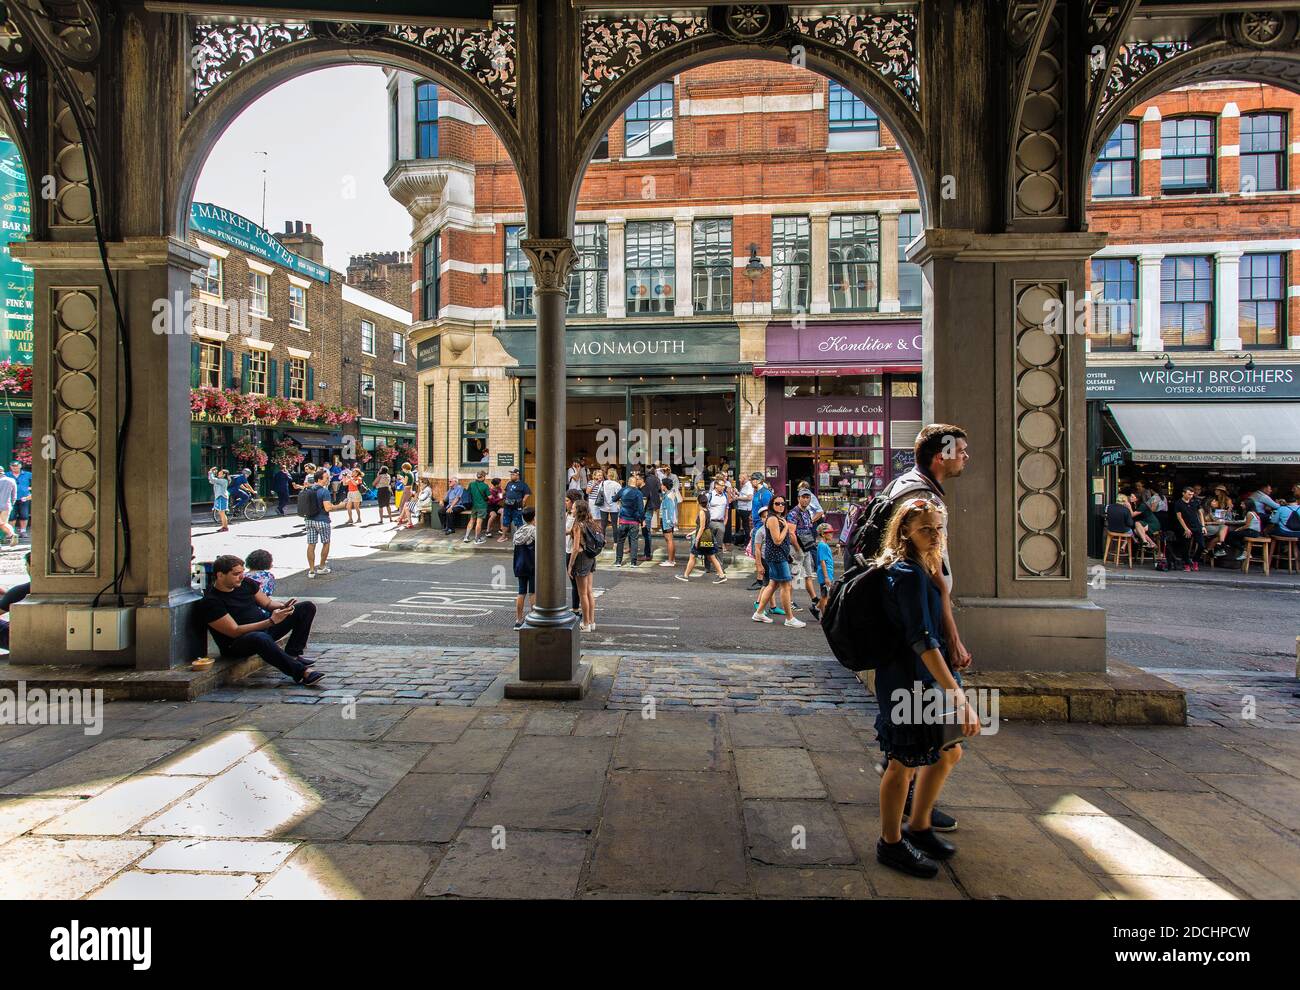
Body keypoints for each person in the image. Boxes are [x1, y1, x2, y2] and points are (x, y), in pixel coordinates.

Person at [871, 499, 978, 879]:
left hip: (925, 675)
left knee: (947, 752)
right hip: (908, 678)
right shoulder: (906, 573)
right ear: (905, 532)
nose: (936, 535)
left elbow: (934, 624)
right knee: (903, 763)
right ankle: (891, 843)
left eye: (939, 528)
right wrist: (959, 698)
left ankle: (918, 826)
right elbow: (922, 640)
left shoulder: (922, 568)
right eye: (926, 529)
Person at [200, 554, 324, 685]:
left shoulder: (245, 583)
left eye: (242, 572)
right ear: (220, 575)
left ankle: (293, 653)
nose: (241, 577)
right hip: (239, 642)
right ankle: (302, 673)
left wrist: (284, 606)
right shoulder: (211, 601)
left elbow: (267, 604)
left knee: (306, 607)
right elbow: (234, 631)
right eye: (236, 574)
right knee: (259, 637)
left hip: (265, 626)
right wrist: (270, 621)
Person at [753, 495, 804, 627]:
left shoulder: (778, 518)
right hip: (776, 557)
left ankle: (759, 613)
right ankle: (789, 618)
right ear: (772, 505)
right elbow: (777, 540)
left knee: (773, 584)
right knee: (786, 586)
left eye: (783, 504)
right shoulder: (772, 519)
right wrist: (786, 528)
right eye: (777, 503)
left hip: (778, 555)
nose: (780, 506)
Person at [678, 491, 727, 583]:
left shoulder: (701, 512)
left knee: (693, 556)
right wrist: (692, 532)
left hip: (702, 538)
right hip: (707, 537)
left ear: (698, 502)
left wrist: (697, 539)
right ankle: (721, 575)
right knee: (711, 556)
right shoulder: (707, 511)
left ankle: (685, 576)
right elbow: (702, 526)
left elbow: (702, 527)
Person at [788, 488, 821, 618]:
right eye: (803, 497)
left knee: (808, 575)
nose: (806, 499)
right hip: (797, 549)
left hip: (806, 547)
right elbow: (791, 533)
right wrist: (798, 550)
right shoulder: (793, 513)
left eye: (808, 497)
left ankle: (814, 599)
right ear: (798, 498)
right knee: (794, 576)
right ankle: (789, 602)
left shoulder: (807, 512)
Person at [302, 468, 341, 578]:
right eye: (326, 478)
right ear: (319, 479)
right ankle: (322, 566)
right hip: (322, 520)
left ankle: (311, 570)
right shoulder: (324, 491)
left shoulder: (309, 489)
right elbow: (328, 508)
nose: (328, 480)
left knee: (311, 544)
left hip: (309, 520)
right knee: (326, 543)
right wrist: (340, 505)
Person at [568, 499, 599, 632]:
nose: (571, 510)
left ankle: (585, 623)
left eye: (574, 508)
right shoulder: (590, 523)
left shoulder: (577, 526)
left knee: (582, 594)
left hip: (580, 557)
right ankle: (592, 622)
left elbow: (575, 548)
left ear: (578, 511)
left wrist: (570, 565)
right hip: (590, 557)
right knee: (589, 591)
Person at [512, 506, 537, 629]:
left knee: (521, 592)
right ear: (534, 517)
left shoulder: (518, 531)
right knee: (533, 592)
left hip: (519, 564)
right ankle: (533, 617)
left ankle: (518, 619)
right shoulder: (534, 531)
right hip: (532, 564)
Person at [0, 551, 31, 650]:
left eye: (26, 565)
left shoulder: (21, 591)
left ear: (31, 566)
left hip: (23, 641)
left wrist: (8, 597)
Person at [614, 472, 645, 566]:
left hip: (623, 520)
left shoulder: (623, 490)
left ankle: (618, 561)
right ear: (636, 483)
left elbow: (614, 499)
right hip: (634, 521)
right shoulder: (638, 493)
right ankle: (633, 562)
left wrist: (620, 499)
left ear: (628, 482)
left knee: (620, 541)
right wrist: (642, 519)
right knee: (634, 541)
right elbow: (641, 508)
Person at [748, 473, 772, 590]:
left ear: (758, 480)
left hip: (762, 527)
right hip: (757, 526)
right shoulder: (758, 493)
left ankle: (761, 580)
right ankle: (760, 579)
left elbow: (767, 511)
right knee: (756, 552)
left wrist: (765, 527)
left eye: (752, 480)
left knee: (759, 553)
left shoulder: (765, 494)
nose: (751, 482)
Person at [1172, 486, 1204, 571]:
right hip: (1186, 526)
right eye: (1189, 494)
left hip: (1197, 526)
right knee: (1185, 546)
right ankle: (1187, 564)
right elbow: (1179, 517)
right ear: (1183, 493)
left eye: (1192, 494)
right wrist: (1186, 528)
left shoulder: (1195, 501)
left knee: (1202, 545)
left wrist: (1203, 526)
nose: (1191, 496)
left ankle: (1195, 561)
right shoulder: (1178, 503)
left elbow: (1200, 513)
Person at [502, 468, 532, 542]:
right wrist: (503, 497)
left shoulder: (522, 484)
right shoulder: (509, 483)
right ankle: (503, 536)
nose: (511, 476)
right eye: (511, 474)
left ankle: (520, 537)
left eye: (513, 474)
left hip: (517, 506)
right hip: (507, 506)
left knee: (518, 522)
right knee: (505, 521)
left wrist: (524, 501)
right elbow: (505, 492)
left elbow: (527, 493)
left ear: (517, 475)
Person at [705, 476, 732, 556]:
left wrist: (725, 522)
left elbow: (727, 509)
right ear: (716, 485)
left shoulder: (725, 496)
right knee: (708, 545)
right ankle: (708, 566)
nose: (723, 487)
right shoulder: (709, 495)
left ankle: (719, 566)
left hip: (720, 523)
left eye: (724, 485)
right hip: (710, 523)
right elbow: (703, 510)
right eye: (722, 485)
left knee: (719, 546)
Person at [641, 464, 661, 560]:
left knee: (646, 530)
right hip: (652, 506)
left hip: (648, 506)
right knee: (647, 530)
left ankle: (647, 554)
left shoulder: (647, 480)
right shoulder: (656, 479)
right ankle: (647, 553)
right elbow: (658, 490)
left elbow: (646, 494)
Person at [658, 475, 679, 567]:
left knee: (669, 539)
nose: (660, 486)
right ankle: (672, 559)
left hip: (667, 520)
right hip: (667, 520)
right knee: (669, 540)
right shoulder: (668, 494)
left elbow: (670, 510)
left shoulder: (669, 496)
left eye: (661, 485)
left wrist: (669, 522)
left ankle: (670, 561)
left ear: (665, 486)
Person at [465, 470, 491, 544]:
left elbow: (468, 493)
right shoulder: (485, 486)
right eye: (485, 476)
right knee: (479, 523)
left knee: (471, 520)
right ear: (483, 477)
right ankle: (477, 539)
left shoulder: (471, 484)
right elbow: (490, 497)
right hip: (482, 506)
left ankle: (466, 537)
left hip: (474, 506)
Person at [7, 461, 30, 542]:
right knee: (11, 516)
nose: (14, 467)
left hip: (24, 498)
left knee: (24, 515)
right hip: (10, 498)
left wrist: (30, 493)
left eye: (16, 466)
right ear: (10, 467)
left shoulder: (27, 474)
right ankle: (11, 533)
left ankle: (23, 532)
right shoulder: (7, 475)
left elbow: (37, 483)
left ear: (20, 466)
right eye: (12, 466)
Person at [815, 522, 835, 615]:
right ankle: (824, 615)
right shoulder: (822, 545)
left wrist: (835, 552)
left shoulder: (825, 545)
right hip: (825, 573)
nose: (832, 534)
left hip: (828, 572)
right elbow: (822, 561)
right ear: (823, 534)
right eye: (830, 532)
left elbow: (828, 558)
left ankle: (816, 609)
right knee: (825, 596)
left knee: (826, 595)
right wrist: (826, 577)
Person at [598, 467, 622, 538]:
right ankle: (615, 543)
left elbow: (599, 493)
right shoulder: (617, 485)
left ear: (608, 475)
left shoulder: (602, 483)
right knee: (614, 525)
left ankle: (602, 543)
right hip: (614, 507)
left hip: (603, 506)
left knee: (603, 526)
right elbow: (620, 495)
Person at [734, 473, 754, 547]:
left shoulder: (748, 486)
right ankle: (745, 542)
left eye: (740, 478)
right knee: (744, 526)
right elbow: (744, 495)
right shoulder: (745, 486)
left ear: (744, 478)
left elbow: (749, 498)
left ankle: (747, 544)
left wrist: (737, 498)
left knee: (746, 527)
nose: (739, 480)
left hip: (746, 509)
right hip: (742, 508)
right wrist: (738, 493)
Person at [207, 467, 230, 532]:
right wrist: (212, 474)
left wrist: (211, 472)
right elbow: (211, 480)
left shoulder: (223, 481)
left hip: (222, 497)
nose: (218, 473)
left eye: (220, 473)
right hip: (219, 497)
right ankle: (224, 526)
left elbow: (213, 479)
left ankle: (225, 527)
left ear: (224, 475)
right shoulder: (220, 480)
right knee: (221, 513)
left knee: (222, 513)